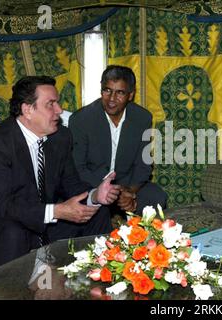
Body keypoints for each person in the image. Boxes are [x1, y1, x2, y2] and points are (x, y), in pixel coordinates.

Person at [0, 76, 121, 269]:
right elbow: (2, 207)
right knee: (12, 230)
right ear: (28, 110)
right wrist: (56, 211)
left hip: (43, 221)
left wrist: (95, 195)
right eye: (51, 104)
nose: (59, 110)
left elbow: (71, 185)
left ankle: (98, 278)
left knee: (97, 212)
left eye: (57, 102)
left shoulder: (60, 137)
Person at [68, 65, 167, 218]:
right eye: (107, 90)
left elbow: (143, 164)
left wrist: (130, 191)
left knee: (156, 196)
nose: (112, 99)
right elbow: (78, 168)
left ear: (131, 95)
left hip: (126, 184)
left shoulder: (142, 118)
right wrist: (108, 191)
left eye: (120, 92)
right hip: (92, 185)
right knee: (92, 206)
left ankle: (138, 238)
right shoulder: (81, 119)